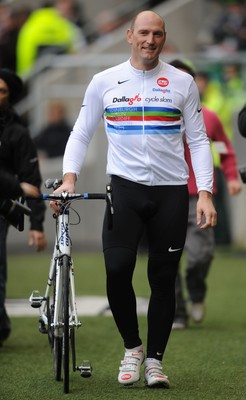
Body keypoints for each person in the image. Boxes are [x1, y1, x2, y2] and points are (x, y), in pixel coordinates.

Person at [51, 11, 217, 388]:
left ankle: (155, 362)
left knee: (162, 278)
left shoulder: (183, 82)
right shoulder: (104, 81)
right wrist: (69, 178)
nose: (150, 39)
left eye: (157, 33)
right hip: (124, 189)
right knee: (117, 268)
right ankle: (133, 348)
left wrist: (204, 192)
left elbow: (198, 140)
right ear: (129, 35)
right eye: (143, 32)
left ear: (164, 38)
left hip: (172, 193)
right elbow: (80, 133)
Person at [169, 60, 242, 330]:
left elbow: (223, 148)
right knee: (166, 259)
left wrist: (232, 176)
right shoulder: (156, 114)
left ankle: (196, 290)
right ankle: (178, 312)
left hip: (198, 195)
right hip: (165, 194)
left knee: (201, 255)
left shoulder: (209, 117)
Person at [0, 68, 47, 346]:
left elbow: (32, 181)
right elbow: (23, 186)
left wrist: (37, 225)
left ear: (10, 96)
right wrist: (16, 188)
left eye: (2, 91)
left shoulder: (18, 133)